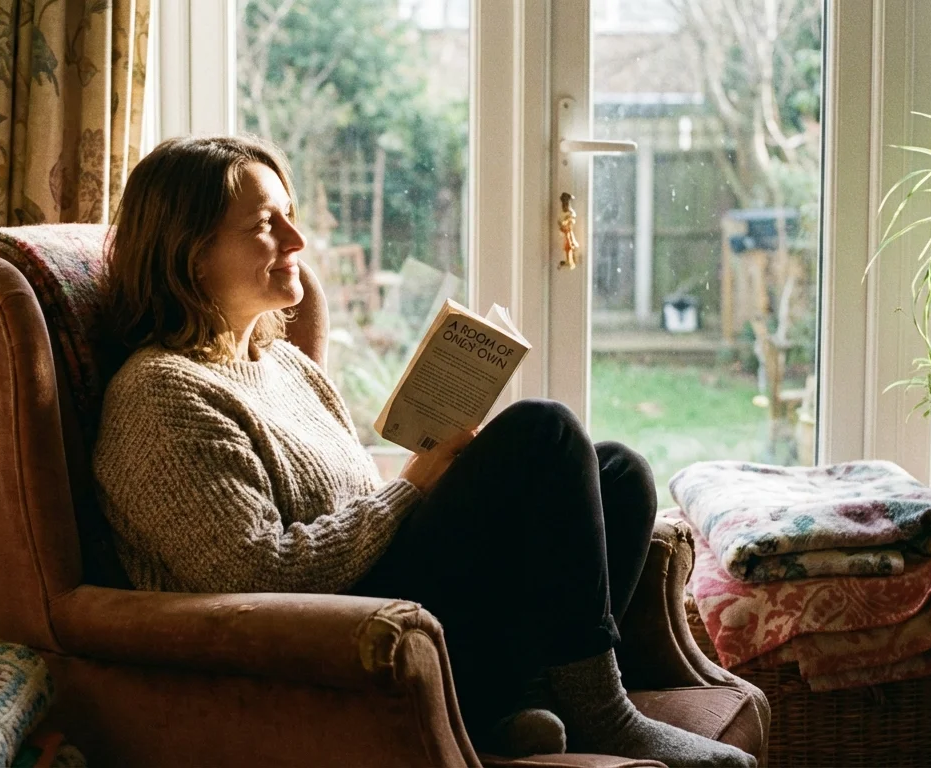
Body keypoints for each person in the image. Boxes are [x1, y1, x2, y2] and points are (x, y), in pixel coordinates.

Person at [93, 135, 754, 767]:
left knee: (618, 473)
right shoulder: (161, 394)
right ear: (189, 251)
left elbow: (353, 505)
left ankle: (518, 702)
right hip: (337, 639)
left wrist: (445, 481)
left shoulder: (286, 367)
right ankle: (599, 711)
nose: (297, 241)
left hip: (391, 608)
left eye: (290, 218)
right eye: (266, 225)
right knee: (542, 431)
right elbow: (253, 574)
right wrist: (410, 489)